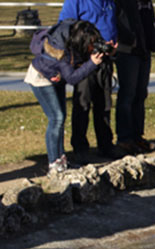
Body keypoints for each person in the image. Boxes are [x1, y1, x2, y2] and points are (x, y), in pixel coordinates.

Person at [24, 20, 106, 174]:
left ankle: (62, 160)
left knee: (60, 119)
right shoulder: (62, 50)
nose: (91, 46)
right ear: (81, 40)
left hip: (56, 79)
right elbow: (72, 78)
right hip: (40, 78)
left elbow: (73, 67)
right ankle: (54, 163)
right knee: (56, 118)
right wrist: (92, 63)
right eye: (90, 43)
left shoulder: (73, 42)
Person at [58, 0, 117, 161]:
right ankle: (80, 148)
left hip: (105, 61)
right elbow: (66, 31)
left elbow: (112, 26)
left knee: (104, 105)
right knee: (83, 104)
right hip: (85, 63)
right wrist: (86, 53)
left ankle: (106, 145)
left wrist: (113, 44)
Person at [109, 0, 155, 155]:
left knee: (141, 94)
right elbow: (114, 20)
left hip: (143, 49)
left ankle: (137, 136)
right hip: (127, 51)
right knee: (128, 95)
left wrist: (154, 39)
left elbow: (148, 17)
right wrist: (127, 39)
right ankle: (124, 138)